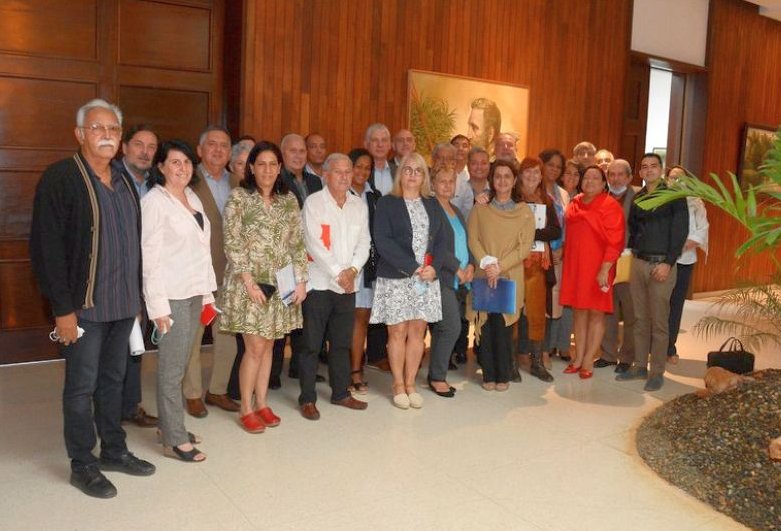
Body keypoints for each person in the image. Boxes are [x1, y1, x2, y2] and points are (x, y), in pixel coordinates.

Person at [30, 98, 156, 498]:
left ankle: (114, 451)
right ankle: (82, 462)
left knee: (113, 382)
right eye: (98, 128)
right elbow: (46, 249)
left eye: (114, 130)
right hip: (83, 310)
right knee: (81, 388)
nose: (107, 136)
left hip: (122, 306)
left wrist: (137, 300)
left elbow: (132, 246)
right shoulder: (61, 178)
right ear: (80, 134)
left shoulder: (124, 181)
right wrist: (62, 310)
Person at [220, 141, 309, 432]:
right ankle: (245, 407)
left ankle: (262, 403)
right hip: (249, 284)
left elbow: (297, 242)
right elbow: (231, 242)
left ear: (280, 168)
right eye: (261, 164)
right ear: (251, 168)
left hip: (280, 283)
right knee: (254, 347)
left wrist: (301, 280)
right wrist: (247, 281)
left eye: (273, 164)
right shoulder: (239, 198)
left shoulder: (288, 201)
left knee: (270, 345)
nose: (267, 170)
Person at [141, 139, 216, 462]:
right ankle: (174, 438)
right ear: (161, 167)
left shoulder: (192, 198)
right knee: (172, 369)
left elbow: (201, 251)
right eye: (174, 162)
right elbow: (149, 259)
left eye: (186, 162)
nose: (182, 168)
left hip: (193, 292)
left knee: (182, 363)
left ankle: (170, 427)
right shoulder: (154, 203)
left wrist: (208, 294)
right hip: (170, 297)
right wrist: (157, 308)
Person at [371, 153, 447, 409]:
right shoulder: (387, 203)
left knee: (417, 332)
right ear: (399, 173)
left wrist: (434, 268)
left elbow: (443, 241)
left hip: (425, 279)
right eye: (408, 169)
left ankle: (412, 383)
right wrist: (414, 267)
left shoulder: (432, 204)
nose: (413, 174)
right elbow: (383, 241)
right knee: (397, 332)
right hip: (396, 277)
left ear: (424, 176)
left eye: (418, 170)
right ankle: (398, 385)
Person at [299, 153, 371, 419]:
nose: (344, 176)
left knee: (341, 343)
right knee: (311, 344)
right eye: (338, 172)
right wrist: (338, 273)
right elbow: (313, 243)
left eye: (348, 172)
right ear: (325, 175)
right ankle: (307, 398)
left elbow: (365, 242)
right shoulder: (314, 203)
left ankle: (341, 392)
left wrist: (352, 270)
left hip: (348, 285)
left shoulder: (358, 205)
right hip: (319, 283)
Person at [617, 153, 688, 391]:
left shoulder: (674, 197)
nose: (649, 170)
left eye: (653, 166)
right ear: (640, 172)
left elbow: (680, 232)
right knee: (638, 318)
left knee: (659, 321)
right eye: (644, 167)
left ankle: (657, 371)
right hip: (639, 263)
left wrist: (668, 263)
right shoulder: (638, 198)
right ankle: (639, 366)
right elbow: (634, 229)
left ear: (662, 169)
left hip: (662, 265)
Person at [184, 126, 241, 418]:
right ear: (200, 149)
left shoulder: (239, 181)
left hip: (230, 275)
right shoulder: (186, 179)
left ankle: (217, 390)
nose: (218, 150)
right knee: (193, 338)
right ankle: (192, 394)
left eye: (224, 146)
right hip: (195, 273)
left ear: (230, 152)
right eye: (212, 145)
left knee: (227, 336)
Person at [467, 160, 535, 391]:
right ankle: (488, 375)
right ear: (492, 180)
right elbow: (472, 239)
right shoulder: (480, 208)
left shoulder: (524, 211)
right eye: (498, 176)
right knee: (486, 326)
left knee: (504, 328)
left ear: (514, 180)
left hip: (509, 275)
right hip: (483, 273)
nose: (503, 180)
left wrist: (500, 266)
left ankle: (503, 375)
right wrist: (487, 264)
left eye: (507, 176)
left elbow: (524, 247)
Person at [559, 166, 625, 379]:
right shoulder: (575, 201)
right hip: (576, 266)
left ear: (604, 183)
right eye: (586, 177)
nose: (590, 181)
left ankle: (588, 360)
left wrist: (605, 268)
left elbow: (616, 240)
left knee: (596, 312)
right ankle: (577, 357)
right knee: (579, 311)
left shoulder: (610, 205)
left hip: (599, 267)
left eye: (595, 178)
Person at [115, 124, 159, 428]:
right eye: (139, 144)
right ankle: (108, 410)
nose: (145, 151)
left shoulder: (156, 184)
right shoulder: (111, 180)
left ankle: (130, 406)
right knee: (113, 348)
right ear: (124, 147)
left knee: (135, 345)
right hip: (117, 277)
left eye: (151, 147)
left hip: (147, 276)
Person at [270, 133, 323, 387]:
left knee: (306, 318)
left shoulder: (316, 182)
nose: (299, 155)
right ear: (282, 154)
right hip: (284, 258)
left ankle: (300, 369)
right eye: (293, 151)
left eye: (302, 151)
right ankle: (273, 372)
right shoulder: (276, 181)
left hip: (312, 259)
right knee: (282, 314)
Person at [429, 168, 474, 397]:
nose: (447, 185)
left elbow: (465, 243)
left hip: (461, 279)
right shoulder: (431, 209)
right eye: (442, 181)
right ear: (433, 184)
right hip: (443, 277)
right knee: (452, 326)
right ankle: (438, 377)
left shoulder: (456, 210)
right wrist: (457, 268)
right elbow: (437, 246)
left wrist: (471, 266)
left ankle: (435, 372)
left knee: (443, 328)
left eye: (451, 182)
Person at [516, 157, 561, 382]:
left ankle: (536, 362)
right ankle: (510, 361)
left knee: (536, 313)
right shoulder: (512, 198)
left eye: (536, 172)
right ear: (520, 174)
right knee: (511, 312)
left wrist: (530, 233)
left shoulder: (547, 200)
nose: (532, 176)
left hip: (538, 265)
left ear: (541, 176)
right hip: (514, 263)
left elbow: (555, 231)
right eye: (527, 172)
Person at [596, 159, 638, 372]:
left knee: (630, 312)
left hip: (629, 260)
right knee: (607, 309)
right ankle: (609, 354)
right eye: (611, 174)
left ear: (630, 177)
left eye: (621, 174)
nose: (615, 178)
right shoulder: (601, 198)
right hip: (604, 261)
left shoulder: (639, 199)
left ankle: (627, 357)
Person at [347, 148, 382, 393]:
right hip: (345, 267)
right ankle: (351, 370)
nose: (362, 171)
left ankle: (356, 368)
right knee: (347, 321)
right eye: (358, 166)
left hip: (368, 267)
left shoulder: (375, 196)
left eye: (367, 168)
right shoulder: (340, 193)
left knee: (362, 317)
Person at [666, 165, 709, 364]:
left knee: (675, 304)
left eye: (680, 178)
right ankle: (653, 346)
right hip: (662, 260)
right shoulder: (661, 200)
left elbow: (702, 229)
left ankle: (669, 347)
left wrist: (681, 246)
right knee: (659, 304)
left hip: (684, 260)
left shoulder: (696, 202)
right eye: (672, 177)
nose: (676, 181)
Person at [539, 149, 573, 363]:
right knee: (538, 303)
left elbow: (568, 226)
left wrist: (562, 249)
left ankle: (550, 346)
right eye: (550, 164)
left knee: (555, 302)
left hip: (559, 255)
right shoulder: (534, 191)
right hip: (539, 254)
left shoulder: (563, 194)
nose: (554, 169)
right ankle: (538, 349)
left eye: (558, 167)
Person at [365, 123, 396, 195]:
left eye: (384, 140)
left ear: (389, 145)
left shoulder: (399, 172)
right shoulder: (360, 172)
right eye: (375, 140)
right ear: (366, 144)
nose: (380, 145)